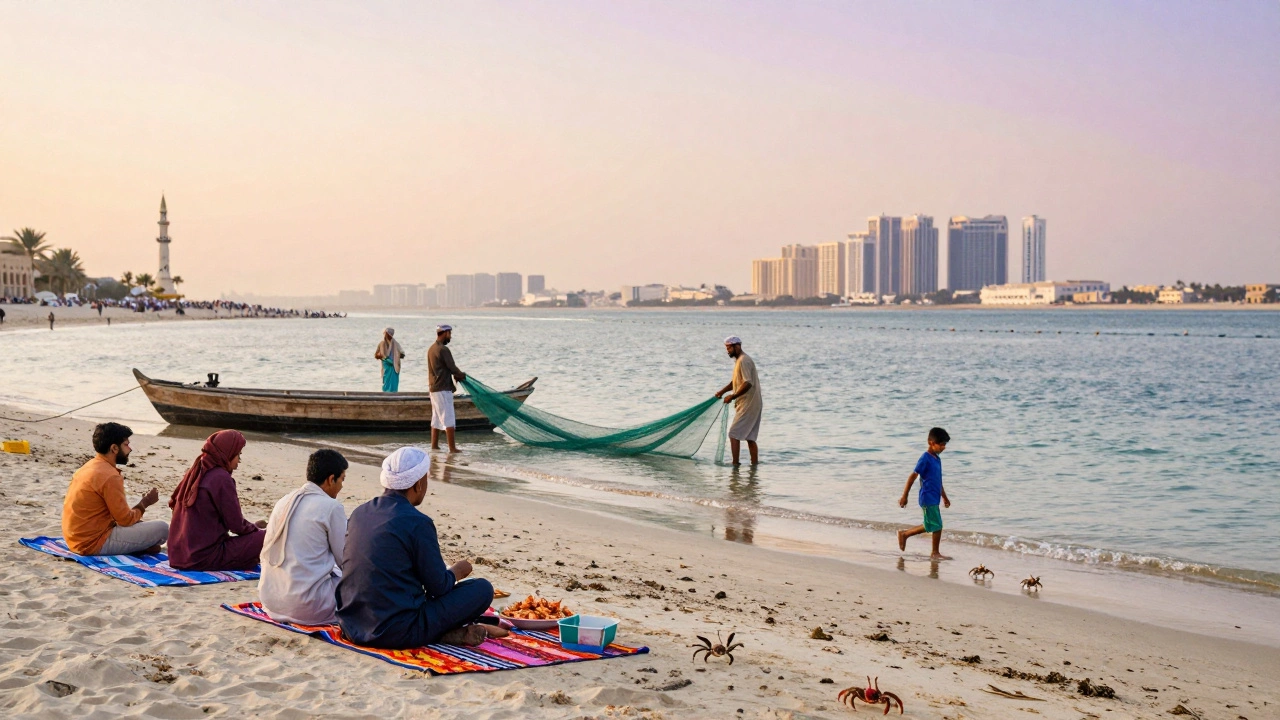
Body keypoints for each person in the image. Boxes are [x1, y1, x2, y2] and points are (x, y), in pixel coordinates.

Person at [336, 447, 504, 648]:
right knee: (482, 589)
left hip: (352, 625)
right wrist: (457, 571)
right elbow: (438, 586)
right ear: (417, 485)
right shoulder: (418, 522)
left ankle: (449, 632)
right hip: (395, 631)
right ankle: (441, 633)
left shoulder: (359, 513)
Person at [259, 449, 349, 625]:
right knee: (364, 585)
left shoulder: (284, 500)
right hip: (308, 607)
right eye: (342, 480)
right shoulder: (331, 507)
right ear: (331, 479)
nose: (342, 487)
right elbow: (345, 560)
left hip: (271, 601)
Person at [62, 422, 167, 556]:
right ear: (114, 448)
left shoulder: (89, 466)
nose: (130, 449)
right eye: (126, 445)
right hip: (92, 543)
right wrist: (145, 502)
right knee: (163, 529)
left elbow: (117, 517)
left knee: (141, 526)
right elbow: (125, 520)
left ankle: (138, 546)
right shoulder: (110, 476)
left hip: (73, 539)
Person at [167, 430, 265, 571]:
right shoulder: (221, 478)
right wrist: (257, 531)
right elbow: (237, 526)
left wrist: (254, 528)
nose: (239, 460)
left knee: (259, 530)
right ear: (227, 453)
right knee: (269, 537)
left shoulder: (197, 470)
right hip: (202, 558)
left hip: (178, 556)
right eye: (238, 454)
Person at [897, 427, 952, 560]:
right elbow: (913, 476)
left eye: (945, 444)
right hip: (927, 497)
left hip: (935, 497)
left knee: (931, 525)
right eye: (941, 444)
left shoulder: (937, 459)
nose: (943, 447)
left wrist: (944, 497)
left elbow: (939, 481)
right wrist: (905, 496)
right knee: (936, 525)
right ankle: (934, 552)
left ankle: (905, 534)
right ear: (930, 443)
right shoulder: (925, 458)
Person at [714, 336, 762, 465]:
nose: (727, 350)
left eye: (729, 347)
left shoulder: (743, 361)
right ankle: (754, 467)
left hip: (749, 403)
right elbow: (735, 382)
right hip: (750, 403)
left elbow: (747, 383)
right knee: (750, 437)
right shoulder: (739, 361)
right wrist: (722, 392)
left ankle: (735, 465)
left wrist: (733, 396)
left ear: (737, 346)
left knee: (733, 434)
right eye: (726, 348)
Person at [427, 324, 466, 452]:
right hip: (443, 388)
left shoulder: (431, 349)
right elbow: (452, 367)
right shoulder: (443, 349)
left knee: (436, 418)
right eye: (450, 333)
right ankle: (452, 448)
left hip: (433, 388)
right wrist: (461, 375)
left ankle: (434, 445)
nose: (451, 336)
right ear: (445, 333)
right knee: (448, 418)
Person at [374, 327, 405, 392]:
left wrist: (397, 356)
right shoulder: (382, 343)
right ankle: (386, 394)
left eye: (387, 334)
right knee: (386, 382)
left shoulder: (395, 344)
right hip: (386, 366)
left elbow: (402, 354)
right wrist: (382, 357)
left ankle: (393, 395)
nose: (386, 335)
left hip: (394, 366)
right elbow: (376, 355)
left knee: (393, 383)